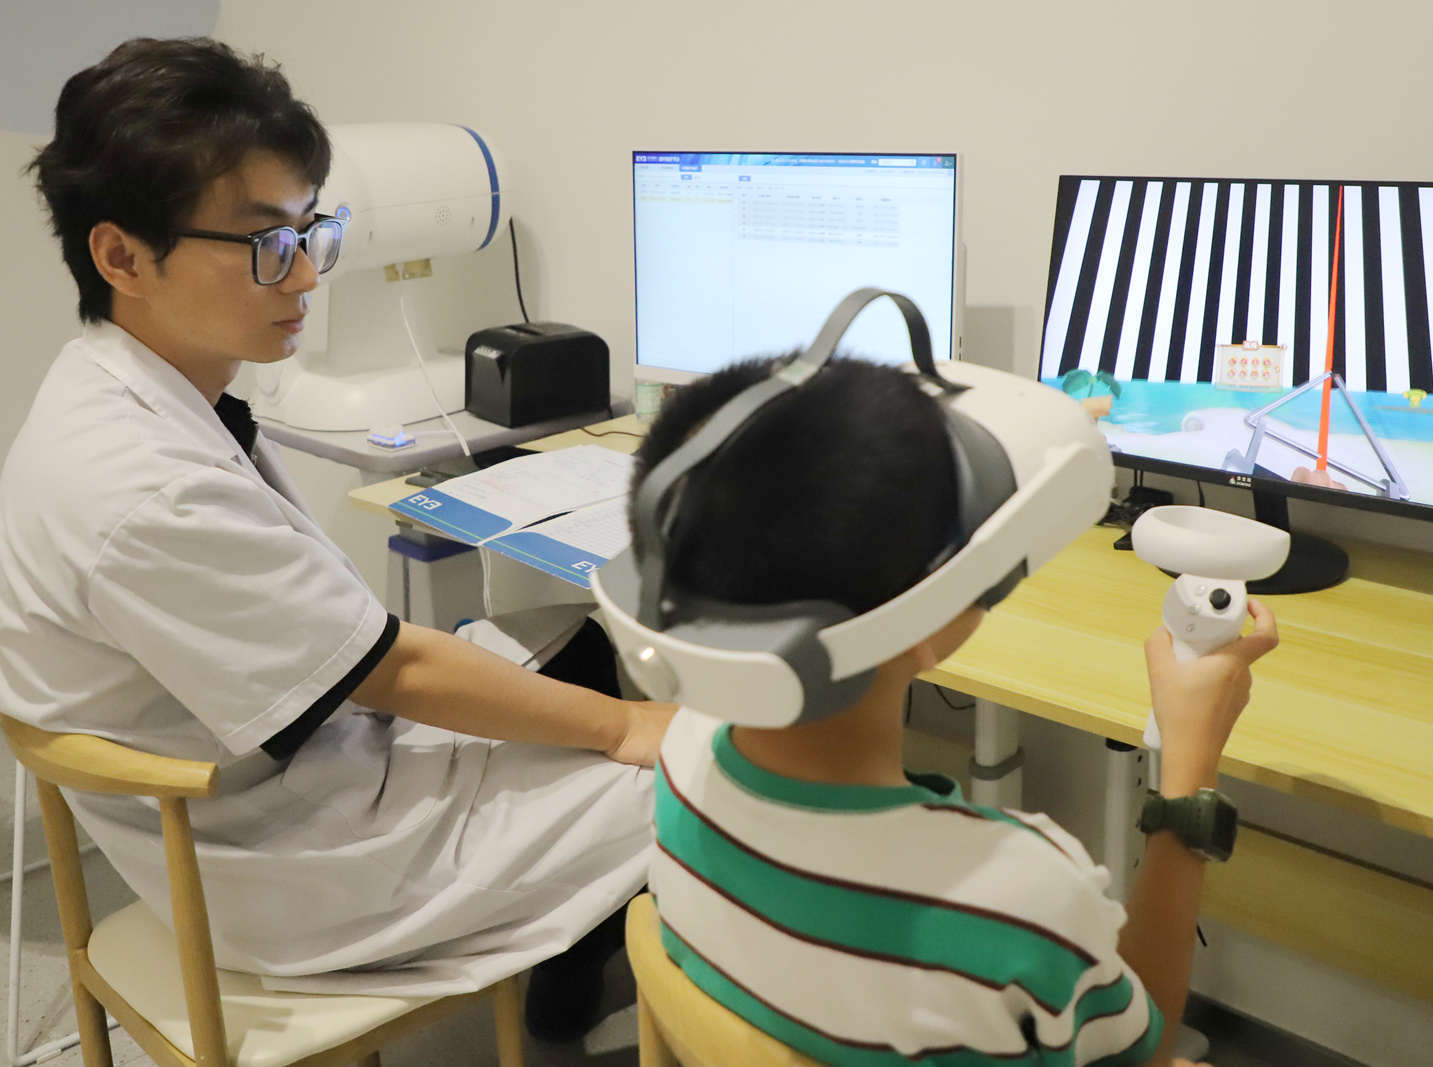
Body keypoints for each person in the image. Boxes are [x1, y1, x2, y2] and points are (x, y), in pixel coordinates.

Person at [0, 37, 673, 1040]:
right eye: (267, 243)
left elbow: (364, 656)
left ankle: (568, 977)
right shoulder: (141, 485)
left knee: (575, 636)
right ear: (122, 256)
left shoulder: (121, 388)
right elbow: (390, 669)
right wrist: (626, 730)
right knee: (707, 777)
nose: (308, 274)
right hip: (295, 858)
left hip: (299, 772)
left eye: (315, 230)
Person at [636, 356, 1278, 1066]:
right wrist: (1189, 772)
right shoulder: (1018, 897)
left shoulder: (684, 753)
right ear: (931, 612)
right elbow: (1144, 1053)